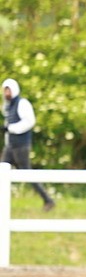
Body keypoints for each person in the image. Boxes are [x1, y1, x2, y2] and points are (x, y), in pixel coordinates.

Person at [2, 78, 55, 211]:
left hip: (21, 146)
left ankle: (48, 200)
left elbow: (29, 122)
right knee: (2, 172)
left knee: (27, 173)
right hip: (10, 146)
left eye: (8, 89)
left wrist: (11, 128)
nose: (6, 93)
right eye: (5, 90)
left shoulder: (22, 103)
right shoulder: (8, 106)